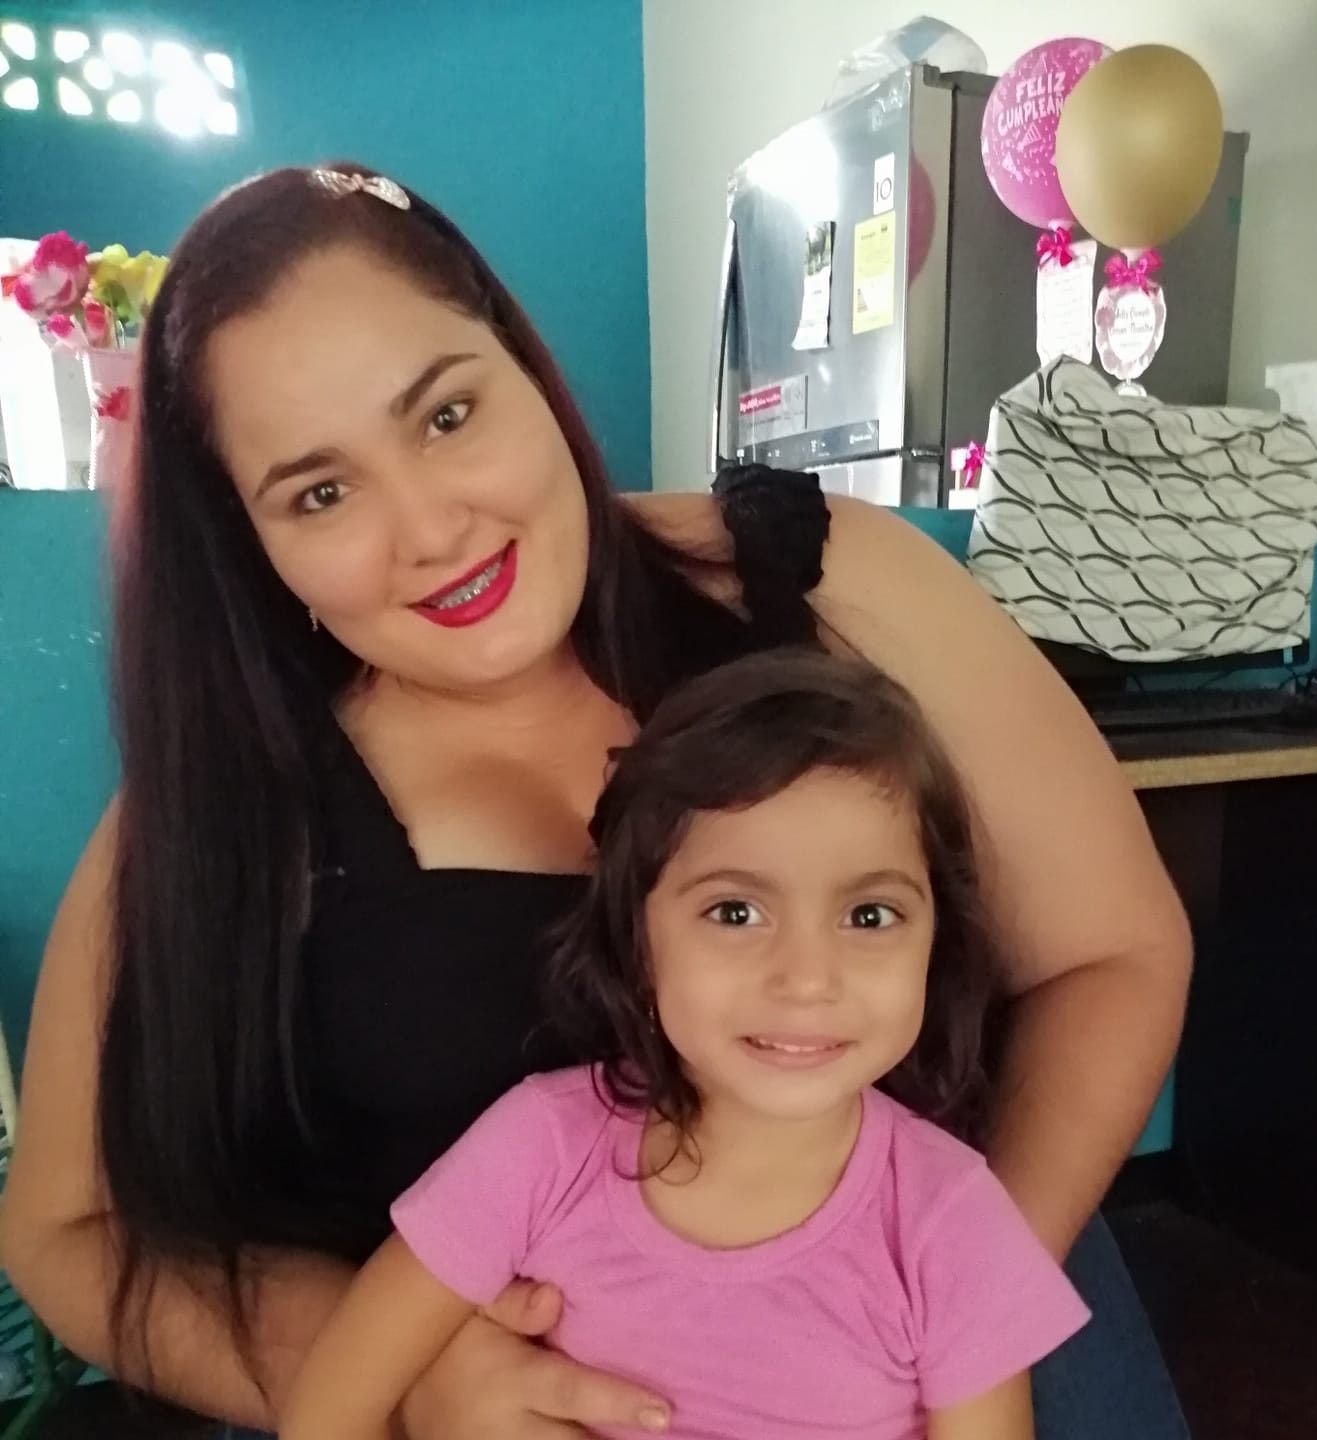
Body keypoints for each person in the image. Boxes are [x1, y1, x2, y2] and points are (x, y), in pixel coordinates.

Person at [0, 163, 1192, 1439]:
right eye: (322, 492)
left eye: (447, 414)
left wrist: (936, 1324)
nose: (432, 529)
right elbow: (67, 1229)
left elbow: (1114, 954)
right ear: (252, 543)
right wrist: (397, 1376)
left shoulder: (835, 584)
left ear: (525, 366)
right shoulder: (223, 804)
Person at [281, 648, 1091, 1440]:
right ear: (638, 946)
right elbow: (337, 1400)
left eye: (869, 915)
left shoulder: (952, 1220)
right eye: (735, 912)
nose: (808, 978)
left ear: (935, 944)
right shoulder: (539, 1148)